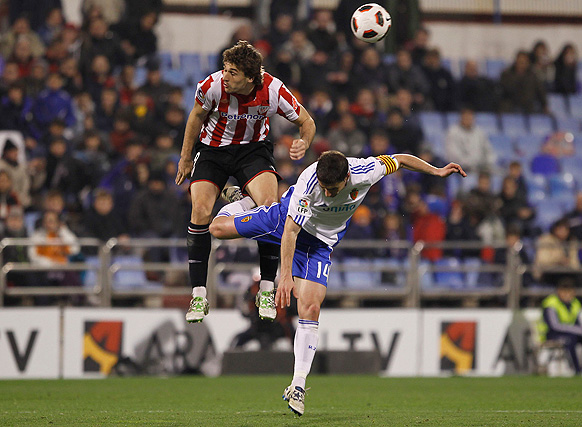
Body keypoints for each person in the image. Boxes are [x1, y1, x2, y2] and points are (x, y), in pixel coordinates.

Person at [208, 150, 466, 415]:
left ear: (347, 178)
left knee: (311, 308)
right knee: (217, 228)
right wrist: (283, 277)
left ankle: (298, 384)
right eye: (324, 188)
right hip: (284, 222)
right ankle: (246, 201)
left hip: (319, 245)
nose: (327, 193)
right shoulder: (309, 183)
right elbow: (290, 232)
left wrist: (435, 171)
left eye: (332, 189)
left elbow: (400, 159)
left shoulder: (366, 171)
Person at [175, 40, 315, 323]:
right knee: (200, 210)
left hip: (253, 151)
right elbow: (195, 117)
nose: (225, 76)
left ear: (250, 78)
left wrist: (304, 142)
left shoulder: (273, 90)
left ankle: (266, 288)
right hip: (212, 150)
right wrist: (186, 158)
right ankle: (199, 294)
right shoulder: (212, 86)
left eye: (233, 72)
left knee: (270, 206)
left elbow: (307, 122)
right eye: (225, 69)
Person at [538, 279, 582, 374]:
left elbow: (577, 322)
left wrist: (577, 330)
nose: (566, 294)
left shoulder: (575, 304)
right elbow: (554, 325)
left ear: (573, 292)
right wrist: (576, 330)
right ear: (558, 291)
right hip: (551, 334)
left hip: (570, 333)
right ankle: (576, 370)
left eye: (569, 291)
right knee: (570, 340)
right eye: (564, 291)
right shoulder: (551, 303)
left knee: (574, 337)